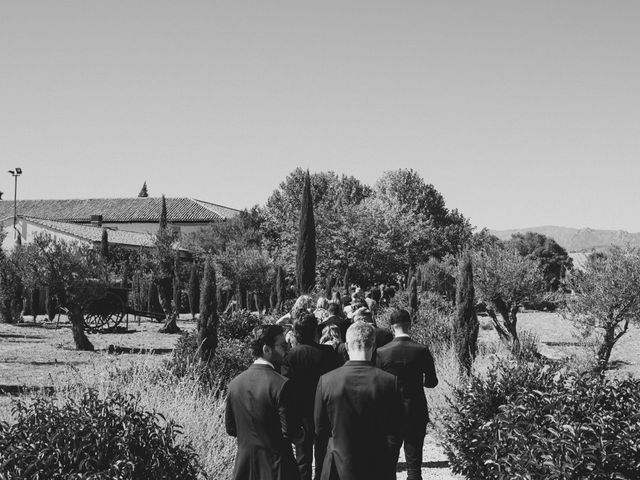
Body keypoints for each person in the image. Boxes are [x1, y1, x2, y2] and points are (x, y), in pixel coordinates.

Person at [314, 321, 402, 480]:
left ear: (347, 347)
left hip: (339, 467)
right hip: (378, 466)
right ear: (373, 346)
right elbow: (396, 431)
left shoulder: (327, 381)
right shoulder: (389, 382)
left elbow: (320, 432)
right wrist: (389, 462)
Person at [225, 324, 301, 480]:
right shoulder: (281, 384)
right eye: (282, 345)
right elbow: (290, 431)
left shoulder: (234, 384)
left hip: (245, 468)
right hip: (277, 468)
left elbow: (231, 428)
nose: (286, 349)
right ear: (267, 349)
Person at [375, 309, 439, 480]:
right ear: (410, 325)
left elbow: (377, 384)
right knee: (414, 464)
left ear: (391, 327)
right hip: (415, 409)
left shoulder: (381, 352)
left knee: (388, 464)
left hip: (390, 412)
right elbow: (432, 382)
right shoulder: (422, 350)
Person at [281, 314, 341, 480]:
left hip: (300, 413)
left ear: (295, 332)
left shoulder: (290, 356)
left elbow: (286, 389)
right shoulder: (328, 353)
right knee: (323, 457)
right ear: (315, 330)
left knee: (303, 459)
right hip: (324, 411)